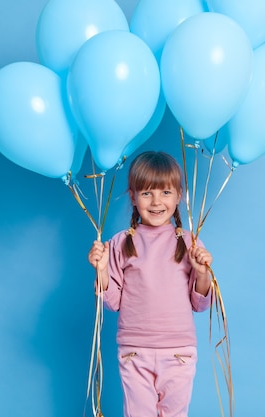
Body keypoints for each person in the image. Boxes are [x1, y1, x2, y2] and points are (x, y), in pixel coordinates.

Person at [88, 151, 212, 417]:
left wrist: (202, 273)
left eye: (166, 192)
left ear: (179, 196)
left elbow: (200, 304)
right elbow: (111, 303)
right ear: (133, 197)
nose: (157, 201)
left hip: (179, 352)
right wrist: (101, 270)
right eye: (146, 193)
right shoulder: (121, 242)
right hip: (134, 351)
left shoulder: (189, 243)